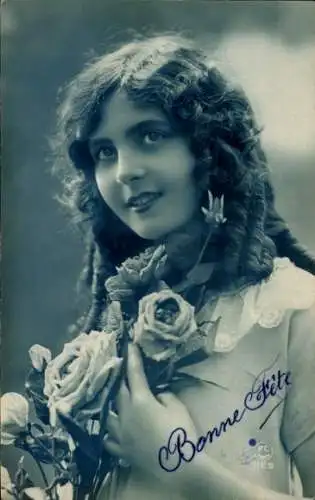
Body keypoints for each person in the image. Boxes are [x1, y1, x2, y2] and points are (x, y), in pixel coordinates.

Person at [53, 34, 315, 499]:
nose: (123, 171)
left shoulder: (296, 310)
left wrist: (178, 466)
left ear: (210, 150)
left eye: (150, 136)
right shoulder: (116, 318)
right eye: (104, 152)